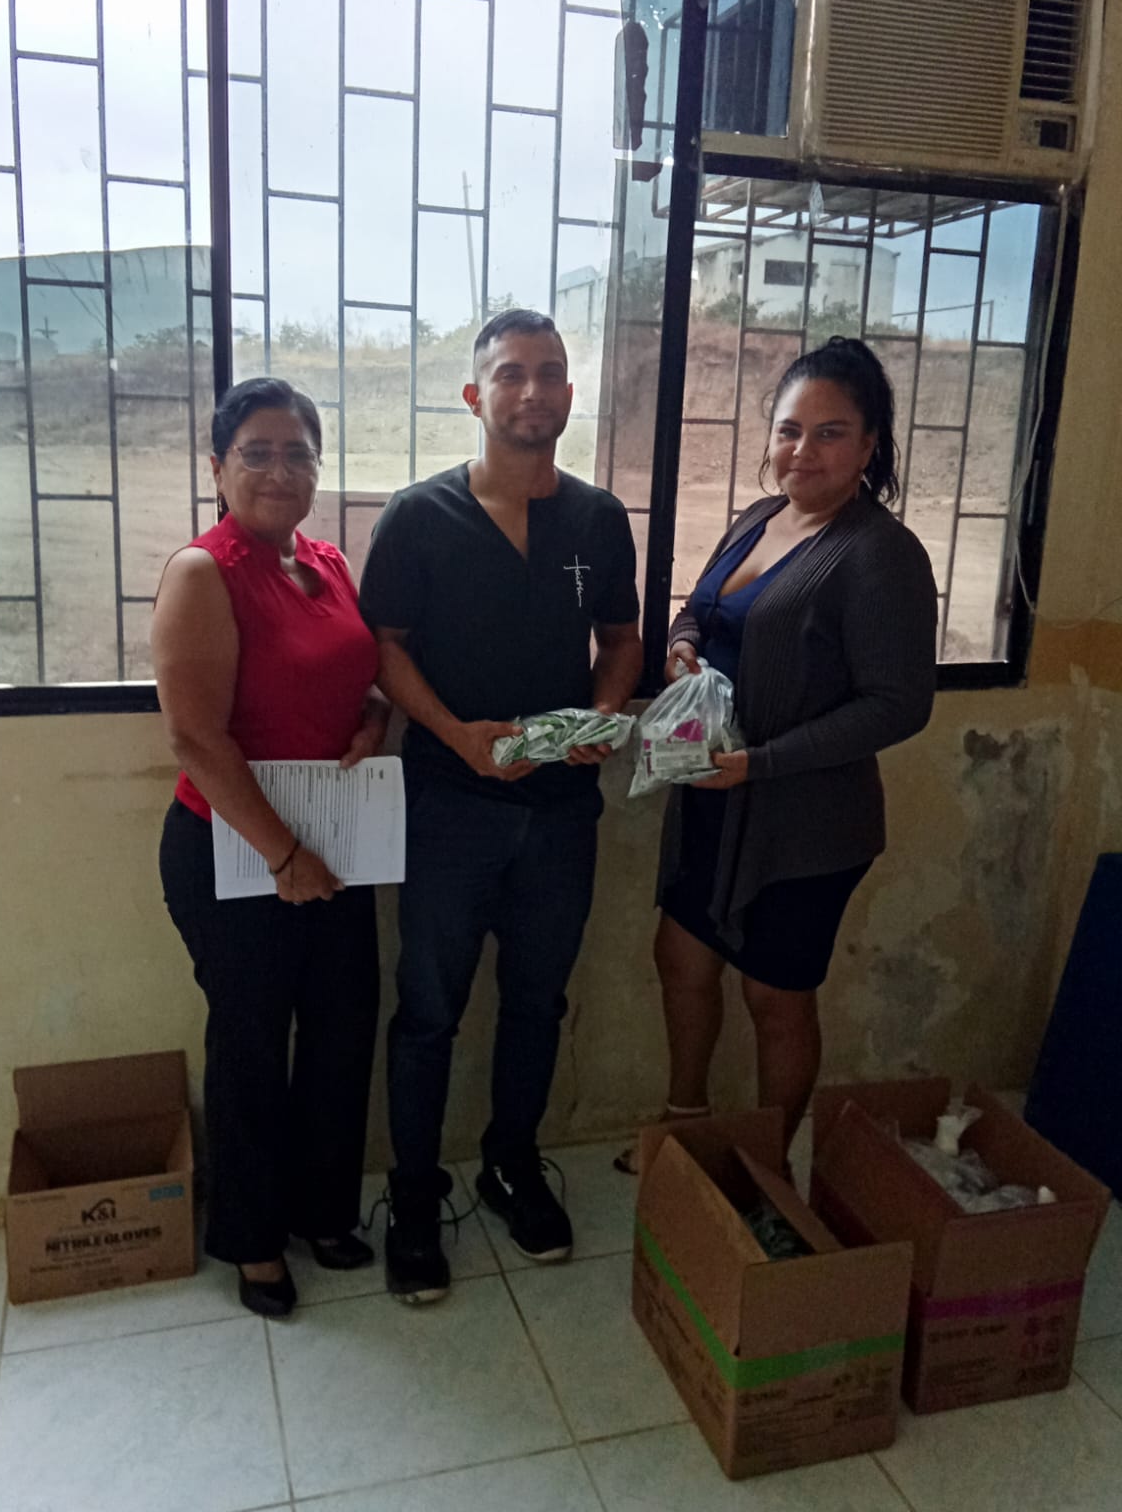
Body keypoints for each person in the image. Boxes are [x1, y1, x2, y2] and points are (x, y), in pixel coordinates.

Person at [359, 309, 643, 1304]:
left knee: (537, 1000)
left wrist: (604, 712)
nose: (534, 390)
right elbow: (384, 647)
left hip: (562, 813)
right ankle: (413, 1195)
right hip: (449, 809)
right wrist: (453, 733)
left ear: (569, 393)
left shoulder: (598, 520)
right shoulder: (418, 516)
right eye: (512, 373)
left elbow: (621, 639)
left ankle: (512, 1163)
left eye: (551, 372)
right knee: (428, 1010)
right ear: (475, 395)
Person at [617, 337, 936, 1174]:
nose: (803, 451)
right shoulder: (758, 518)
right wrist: (682, 646)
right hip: (713, 793)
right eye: (790, 430)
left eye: (831, 433)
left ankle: (767, 1166)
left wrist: (763, 762)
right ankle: (684, 1124)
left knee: (774, 996)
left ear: (870, 446)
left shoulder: (881, 553)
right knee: (681, 957)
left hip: (805, 824)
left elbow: (900, 704)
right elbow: (698, 609)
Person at [153, 377, 388, 1318]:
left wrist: (373, 721)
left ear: (318, 469)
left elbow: (358, 677)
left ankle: (322, 1210)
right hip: (234, 848)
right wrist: (283, 857)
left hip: (332, 837)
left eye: (298, 453)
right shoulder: (203, 572)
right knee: (251, 1042)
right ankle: (252, 1238)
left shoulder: (326, 561)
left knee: (342, 1029)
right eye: (256, 453)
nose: (279, 471)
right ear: (218, 468)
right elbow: (195, 736)